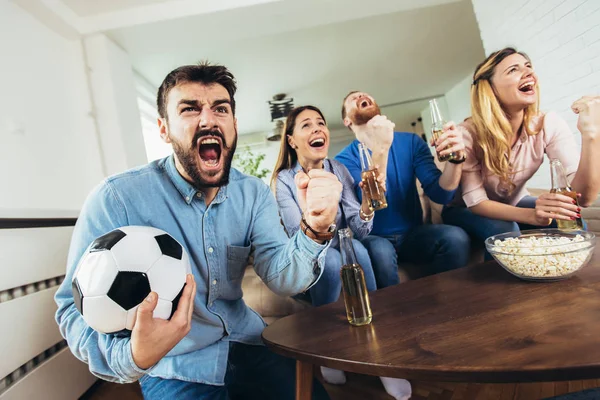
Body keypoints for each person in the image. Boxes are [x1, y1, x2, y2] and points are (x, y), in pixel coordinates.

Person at [54, 62, 342, 400]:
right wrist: (132, 357)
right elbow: (72, 309)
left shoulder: (254, 194)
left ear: (234, 125)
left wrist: (315, 230)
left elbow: (282, 279)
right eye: (190, 109)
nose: (208, 120)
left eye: (220, 109)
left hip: (249, 341)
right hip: (175, 364)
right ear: (164, 129)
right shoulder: (115, 198)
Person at [271, 105, 410, 399]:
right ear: (292, 141)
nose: (317, 129)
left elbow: (360, 231)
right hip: (308, 257)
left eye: (320, 123)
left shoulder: (340, 170)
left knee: (357, 248)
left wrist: (365, 205)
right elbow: (300, 237)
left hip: (348, 246)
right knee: (334, 257)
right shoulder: (284, 180)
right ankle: (329, 351)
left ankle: (381, 356)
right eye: (306, 125)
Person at [441, 47, 600, 255]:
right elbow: (478, 203)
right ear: (490, 88)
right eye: (513, 70)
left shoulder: (548, 123)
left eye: (528, 66)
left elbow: (583, 198)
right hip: (463, 209)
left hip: (513, 200)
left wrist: (591, 136)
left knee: (574, 224)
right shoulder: (468, 134)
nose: (529, 73)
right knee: (505, 231)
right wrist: (533, 215)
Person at [336, 91, 471, 281]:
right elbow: (371, 202)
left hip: (413, 235)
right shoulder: (342, 161)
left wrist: (456, 159)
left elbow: (441, 194)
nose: (361, 96)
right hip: (374, 238)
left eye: (364, 95)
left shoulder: (412, 142)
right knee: (380, 252)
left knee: (456, 238)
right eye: (353, 99)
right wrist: (381, 148)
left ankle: (445, 301)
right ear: (347, 121)